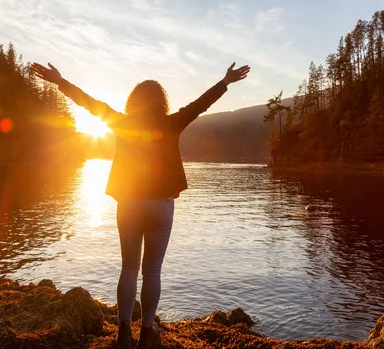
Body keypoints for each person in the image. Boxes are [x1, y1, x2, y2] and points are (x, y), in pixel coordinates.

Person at [31, 61, 250, 349]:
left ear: (133, 102)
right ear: (161, 102)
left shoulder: (121, 122)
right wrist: (225, 81)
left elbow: (88, 103)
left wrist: (61, 81)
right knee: (153, 270)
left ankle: (123, 332)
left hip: (130, 203)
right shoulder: (172, 122)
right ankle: (147, 331)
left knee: (128, 268)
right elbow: (201, 104)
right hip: (161, 205)